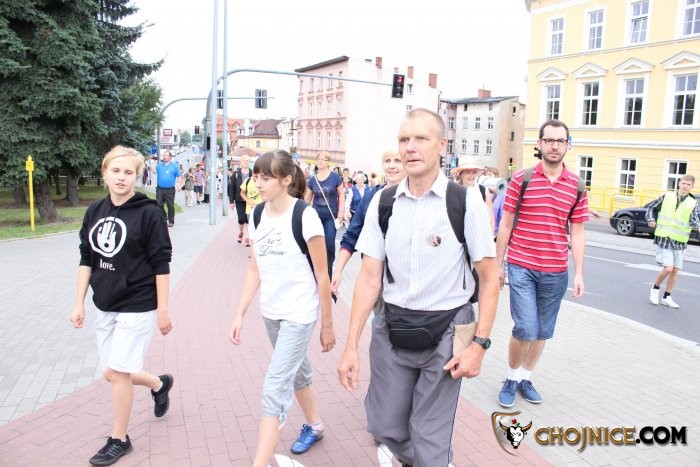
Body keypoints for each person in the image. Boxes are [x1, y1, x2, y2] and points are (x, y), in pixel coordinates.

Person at [337, 109, 499, 466]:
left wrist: (480, 345)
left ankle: (431, 459)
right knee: (384, 424)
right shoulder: (383, 202)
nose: (410, 147)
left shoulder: (465, 202)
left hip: (447, 331)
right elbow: (369, 278)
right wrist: (350, 346)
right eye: (404, 139)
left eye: (421, 139)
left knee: (429, 433)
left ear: (441, 145)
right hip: (392, 325)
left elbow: (490, 277)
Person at [229, 150, 335, 467]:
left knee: (274, 386)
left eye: (266, 177)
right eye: (256, 177)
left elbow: (322, 274)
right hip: (271, 312)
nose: (258, 183)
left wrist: (327, 325)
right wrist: (239, 313)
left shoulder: (305, 216)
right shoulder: (257, 215)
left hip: (299, 314)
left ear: (286, 180)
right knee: (297, 371)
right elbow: (254, 268)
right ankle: (315, 425)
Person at [70, 145, 174, 466]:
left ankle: (120, 439)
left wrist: (163, 309)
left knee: (118, 372)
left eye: (129, 172)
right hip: (106, 302)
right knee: (112, 373)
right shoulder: (94, 211)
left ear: (137, 176)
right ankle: (158, 383)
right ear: (104, 172)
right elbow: (86, 259)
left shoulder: (149, 212)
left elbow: (161, 262)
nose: (121, 177)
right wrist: (78, 303)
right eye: (115, 170)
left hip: (138, 303)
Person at [495, 119, 588, 408]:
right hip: (521, 265)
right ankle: (511, 378)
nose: (554, 146)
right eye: (549, 140)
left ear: (568, 145)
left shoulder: (577, 185)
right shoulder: (521, 179)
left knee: (542, 330)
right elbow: (505, 224)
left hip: (556, 270)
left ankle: (525, 377)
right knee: (525, 327)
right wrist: (498, 265)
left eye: (560, 141)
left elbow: (578, 232)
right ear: (539, 143)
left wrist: (579, 273)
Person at [330, 149, 405, 296]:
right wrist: (338, 270)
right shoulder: (372, 196)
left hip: (402, 281)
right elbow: (352, 234)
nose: (391, 165)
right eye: (387, 161)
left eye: (398, 161)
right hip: (373, 277)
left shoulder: (415, 197)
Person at [645, 174, 699, 309]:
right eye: (684, 183)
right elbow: (651, 207)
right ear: (679, 183)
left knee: (675, 270)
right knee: (668, 268)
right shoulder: (667, 196)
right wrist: (651, 219)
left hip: (680, 240)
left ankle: (666, 297)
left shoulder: (693, 202)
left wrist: (698, 226)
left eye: (688, 184)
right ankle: (655, 289)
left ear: (692, 187)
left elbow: (694, 220)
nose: (685, 186)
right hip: (664, 237)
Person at [304, 151, 345, 279]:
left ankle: (329, 268)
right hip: (315, 217)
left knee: (330, 244)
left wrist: (341, 213)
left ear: (328, 162)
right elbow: (307, 199)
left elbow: (341, 195)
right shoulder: (312, 179)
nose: (320, 161)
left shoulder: (335, 178)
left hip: (330, 217)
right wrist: (303, 213)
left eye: (323, 159)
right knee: (315, 243)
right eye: (318, 159)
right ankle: (316, 268)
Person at [452, 158, 495, 233]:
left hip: (480, 234)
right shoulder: (454, 192)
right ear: (460, 174)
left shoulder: (483, 191)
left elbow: (491, 218)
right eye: (467, 172)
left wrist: (490, 236)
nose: (471, 175)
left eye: (474, 172)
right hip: (459, 235)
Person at [155, 150, 181, 227]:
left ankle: (171, 221)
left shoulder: (175, 166)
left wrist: (179, 184)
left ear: (170, 157)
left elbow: (179, 176)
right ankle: (163, 218)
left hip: (170, 190)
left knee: (170, 206)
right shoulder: (159, 165)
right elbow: (153, 171)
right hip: (160, 189)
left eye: (166, 155)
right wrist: (151, 162)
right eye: (163, 155)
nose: (164, 157)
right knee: (158, 205)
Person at [230, 155, 253, 243]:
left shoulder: (252, 173)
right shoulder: (236, 174)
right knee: (241, 219)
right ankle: (241, 232)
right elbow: (232, 187)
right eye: (244, 160)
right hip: (239, 199)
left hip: (250, 200)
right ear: (241, 162)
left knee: (249, 219)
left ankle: (247, 237)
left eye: (248, 160)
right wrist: (231, 201)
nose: (246, 162)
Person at [240, 164, 262, 247]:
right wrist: (248, 201)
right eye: (255, 174)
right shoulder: (248, 181)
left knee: (259, 226)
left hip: (261, 208)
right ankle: (249, 238)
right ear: (252, 173)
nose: (256, 176)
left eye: (258, 174)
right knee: (251, 225)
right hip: (250, 208)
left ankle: (256, 241)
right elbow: (242, 193)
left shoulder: (263, 181)